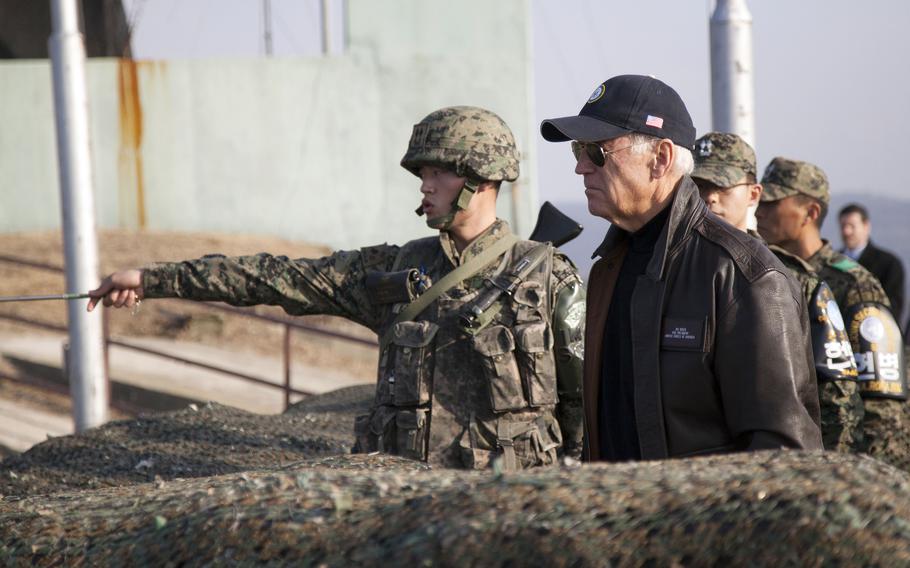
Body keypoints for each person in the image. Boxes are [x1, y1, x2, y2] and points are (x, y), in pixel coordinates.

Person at [88, 106, 587, 471]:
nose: (424, 186)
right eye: (422, 174)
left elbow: (584, 399)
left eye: (439, 172)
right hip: (401, 502)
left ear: (480, 179)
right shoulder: (395, 271)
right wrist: (153, 280)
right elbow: (273, 277)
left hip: (510, 507)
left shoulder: (548, 279)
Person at [539, 74, 822, 462]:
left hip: (701, 522)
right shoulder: (608, 267)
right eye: (578, 152)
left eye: (597, 152)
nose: (581, 169)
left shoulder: (744, 276)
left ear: (662, 158)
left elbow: (782, 452)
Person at [692, 132, 862, 452]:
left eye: (722, 186)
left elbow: (837, 400)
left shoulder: (795, 280)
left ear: (754, 194)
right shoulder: (676, 274)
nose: (710, 198)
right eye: (700, 187)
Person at [755, 157, 907, 460]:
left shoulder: (854, 285)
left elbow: (881, 402)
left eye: (773, 204)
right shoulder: (772, 276)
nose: (760, 211)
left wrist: (863, 477)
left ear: (809, 213)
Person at [839, 203, 905, 323]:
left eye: (852, 226)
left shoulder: (889, 264)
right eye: (843, 226)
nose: (846, 231)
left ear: (866, 226)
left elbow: (893, 309)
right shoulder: (833, 262)